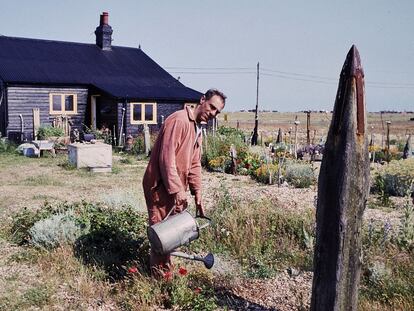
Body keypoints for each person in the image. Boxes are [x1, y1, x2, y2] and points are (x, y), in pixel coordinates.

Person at [142, 88, 226, 274]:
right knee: (162, 235)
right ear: (202, 100)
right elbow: (166, 159)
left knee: (173, 233)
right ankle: (159, 281)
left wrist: (198, 194)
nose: (212, 114)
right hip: (160, 186)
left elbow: (194, 164)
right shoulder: (179, 120)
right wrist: (178, 190)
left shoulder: (197, 128)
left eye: (217, 112)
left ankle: (166, 273)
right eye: (211, 107)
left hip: (174, 187)